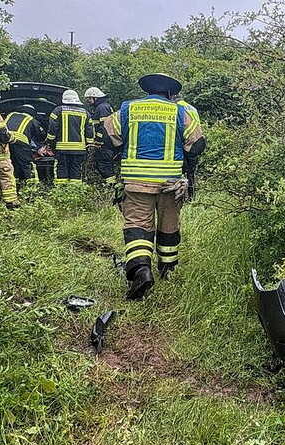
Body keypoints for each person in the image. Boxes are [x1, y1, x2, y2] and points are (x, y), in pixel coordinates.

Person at [102, 73, 206, 300]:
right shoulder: (181, 112)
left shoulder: (127, 109)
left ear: (147, 90)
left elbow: (109, 137)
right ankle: (168, 270)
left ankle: (141, 270)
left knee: (138, 225)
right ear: (171, 93)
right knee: (169, 224)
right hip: (170, 183)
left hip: (136, 181)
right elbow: (197, 145)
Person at [46, 89, 90, 184]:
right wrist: (89, 144)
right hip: (79, 149)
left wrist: (49, 142)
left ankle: (62, 191)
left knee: (62, 169)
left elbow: (52, 129)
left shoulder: (58, 111)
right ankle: (75, 190)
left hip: (62, 148)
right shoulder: (85, 113)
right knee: (76, 169)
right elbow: (90, 132)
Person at [4, 104, 45, 189]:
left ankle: (10, 186)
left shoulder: (9, 115)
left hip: (5, 143)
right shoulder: (31, 119)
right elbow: (41, 135)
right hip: (20, 145)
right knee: (25, 166)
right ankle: (28, 188)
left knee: (8, 165)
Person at [84, 87, 117, 185]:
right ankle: (110, 184)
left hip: (105, 143)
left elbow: (104, 127)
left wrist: (98, 140)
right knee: (103, 164)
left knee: (104, 164)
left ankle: (111, 185)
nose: (88, 101)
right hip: (106, 142)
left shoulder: (102, 108)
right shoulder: (103, 106)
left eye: (89, 99)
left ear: (95, 98)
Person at [174, 96, 203, 200]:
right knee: (191, 171)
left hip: (188, 143)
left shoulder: (177, 108)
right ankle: (192, 196)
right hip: (198, 141)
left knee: (182, 170)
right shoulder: (191, 107)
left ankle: (185, 196)